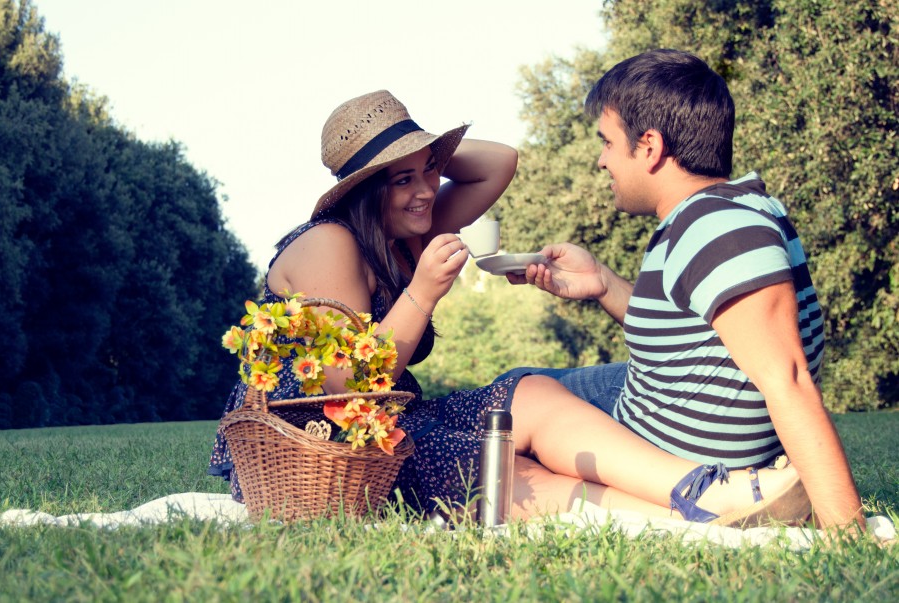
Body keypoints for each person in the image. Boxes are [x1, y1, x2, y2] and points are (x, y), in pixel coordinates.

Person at [209, 89, 817, 526]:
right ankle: (698, 514)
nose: (427, 191)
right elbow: (344, 384)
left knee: (525, 393)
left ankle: (702, 490)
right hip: (315, 444)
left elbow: (500, 163)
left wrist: (420, 158)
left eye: (431, 172)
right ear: (366, 191)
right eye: (401, 181)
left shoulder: (402, 229)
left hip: (391, 419)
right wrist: (421, 293)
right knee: (494, 464)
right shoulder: (330, 243)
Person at [496, 49, 864, 530]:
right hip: (656, 403)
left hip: (680, 454)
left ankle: (697, 506)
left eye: (607, 142)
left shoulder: (718, 227)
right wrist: (602, 283)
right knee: (515, 385)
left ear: (648, 146)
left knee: (491, 439)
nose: (602, 160)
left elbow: (787, 377)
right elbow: (695, 342)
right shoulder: (719, 212)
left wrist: (846, 526)